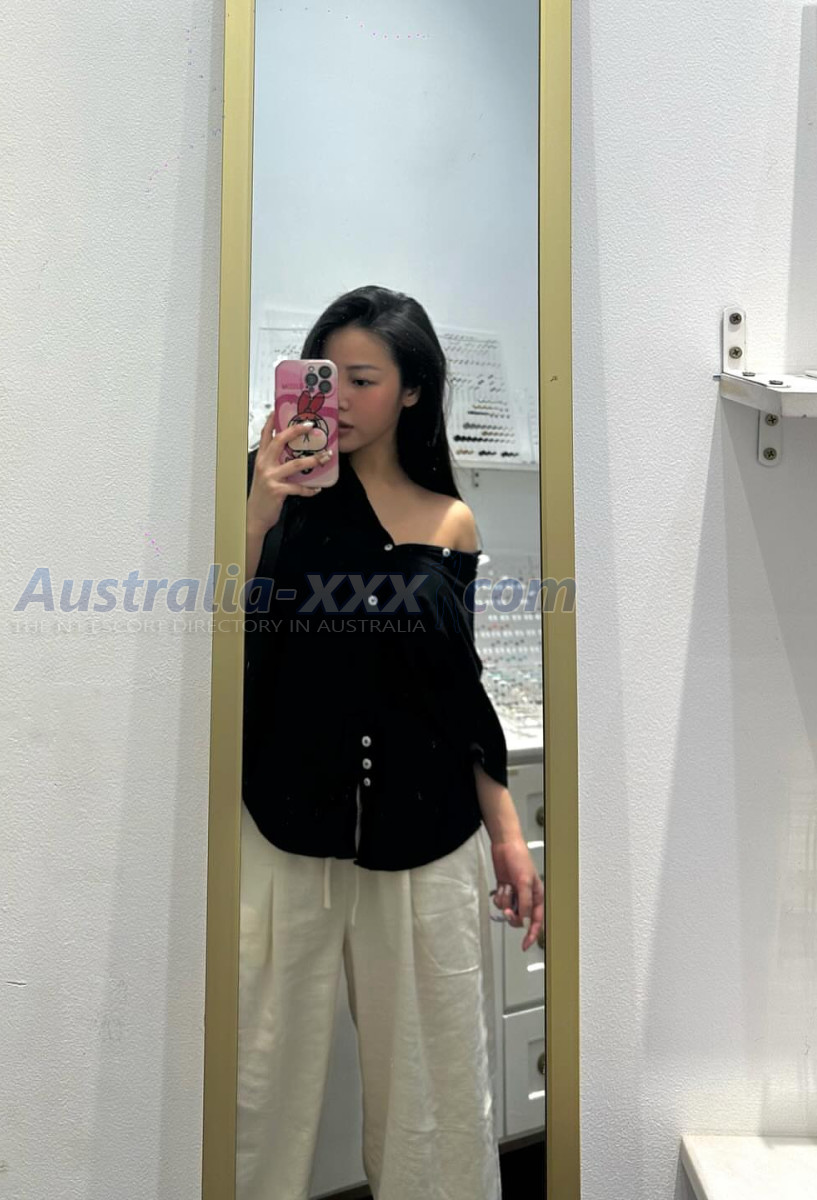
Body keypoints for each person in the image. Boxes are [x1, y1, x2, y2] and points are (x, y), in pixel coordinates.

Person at [238, 284, 544, 1200]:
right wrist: (256, 510)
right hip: (282, 822)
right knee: (256, 1081)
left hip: (427, 829)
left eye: (363, 380)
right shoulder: (267, 495)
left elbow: (458, 691)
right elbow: (218, 639)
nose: (338, 398)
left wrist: (507, 834)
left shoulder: (450, 522)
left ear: (412, 390)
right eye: (326, 375)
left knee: (436, 1085)